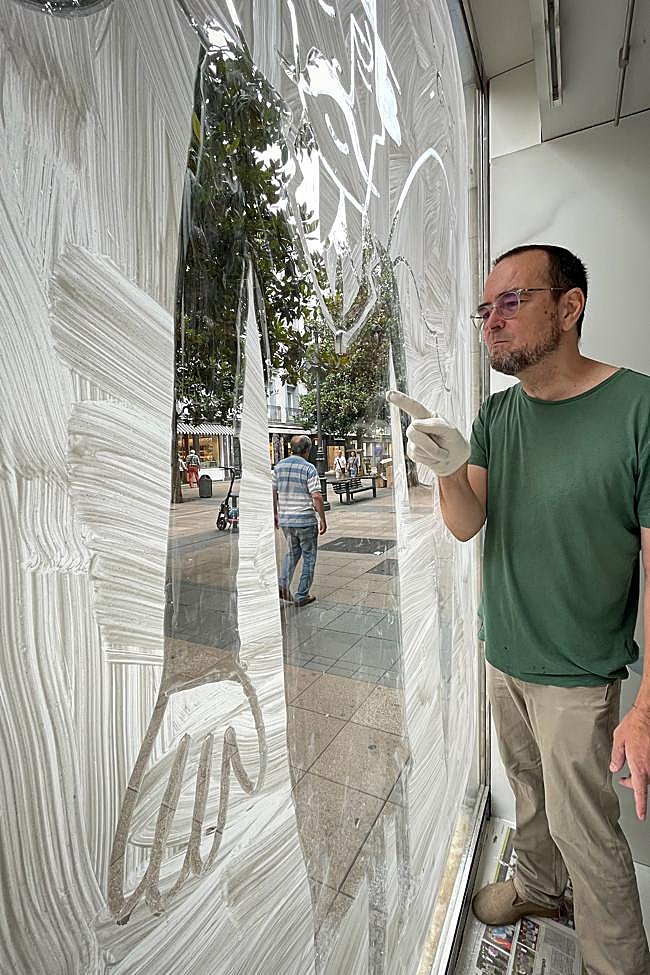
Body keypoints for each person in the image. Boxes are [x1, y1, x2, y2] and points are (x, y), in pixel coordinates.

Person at [388, 243, 650, 975]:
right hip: (504, 654)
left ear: (570, 309)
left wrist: (647, 707)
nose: (491, 321)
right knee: (528, 796)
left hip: (578, 675)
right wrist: (444, 469)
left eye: (512, 302)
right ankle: (536, 888)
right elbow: (468, 521)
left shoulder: (638, 408)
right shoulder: (498, 415)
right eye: (485, 308)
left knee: (588, 838)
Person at [273, 435, 327, 607]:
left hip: (286, 520)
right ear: (307, 450)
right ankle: (302, 594)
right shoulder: (309, 468)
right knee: (309, 557)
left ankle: (282, 584)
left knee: (292, 552)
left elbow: (273, 492)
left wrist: (275, 513)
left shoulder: (279, 467)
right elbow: (317, 496)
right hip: (305, 520)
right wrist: (322, 518)